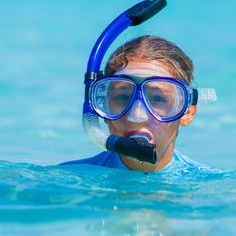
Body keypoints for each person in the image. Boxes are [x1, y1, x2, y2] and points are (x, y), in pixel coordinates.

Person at [59, 35, 213, 173]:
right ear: (102, 106)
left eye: (157, 99)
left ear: (187, 112)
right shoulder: (68, 179)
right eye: (122, 97)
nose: (136, 115)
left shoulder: (207, 191)